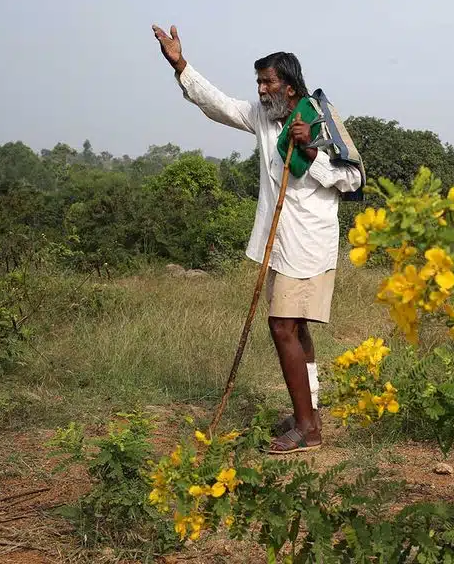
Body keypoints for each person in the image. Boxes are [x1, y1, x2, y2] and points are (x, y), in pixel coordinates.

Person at [152, 24, 362, 454]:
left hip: (308, 245)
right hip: (279, 242)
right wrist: (181, 66)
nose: (262, 89)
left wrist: (311, 153)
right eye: (259, 82)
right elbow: (221, 106)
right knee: (295, 327)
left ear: (289, 85)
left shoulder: (318, 116)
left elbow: (354, 178)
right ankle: (309, 414)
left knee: (282, 326)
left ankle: (307, 429)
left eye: (268, 82)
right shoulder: (265, 117)